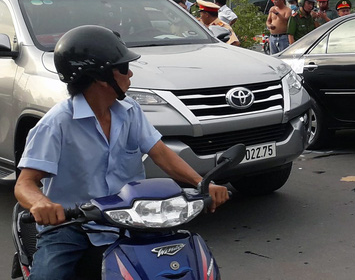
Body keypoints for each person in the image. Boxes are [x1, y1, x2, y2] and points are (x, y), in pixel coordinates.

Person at [14, 25, 229, 280]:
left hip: (132, 219)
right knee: (49, 276)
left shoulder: (130, 111)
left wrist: (202, 183)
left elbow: (160, 153)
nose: (131, 74)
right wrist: (42, 203)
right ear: (101, 77)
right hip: (73, 227)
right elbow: (25, 183)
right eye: (124, 68)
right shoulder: (56, 124)